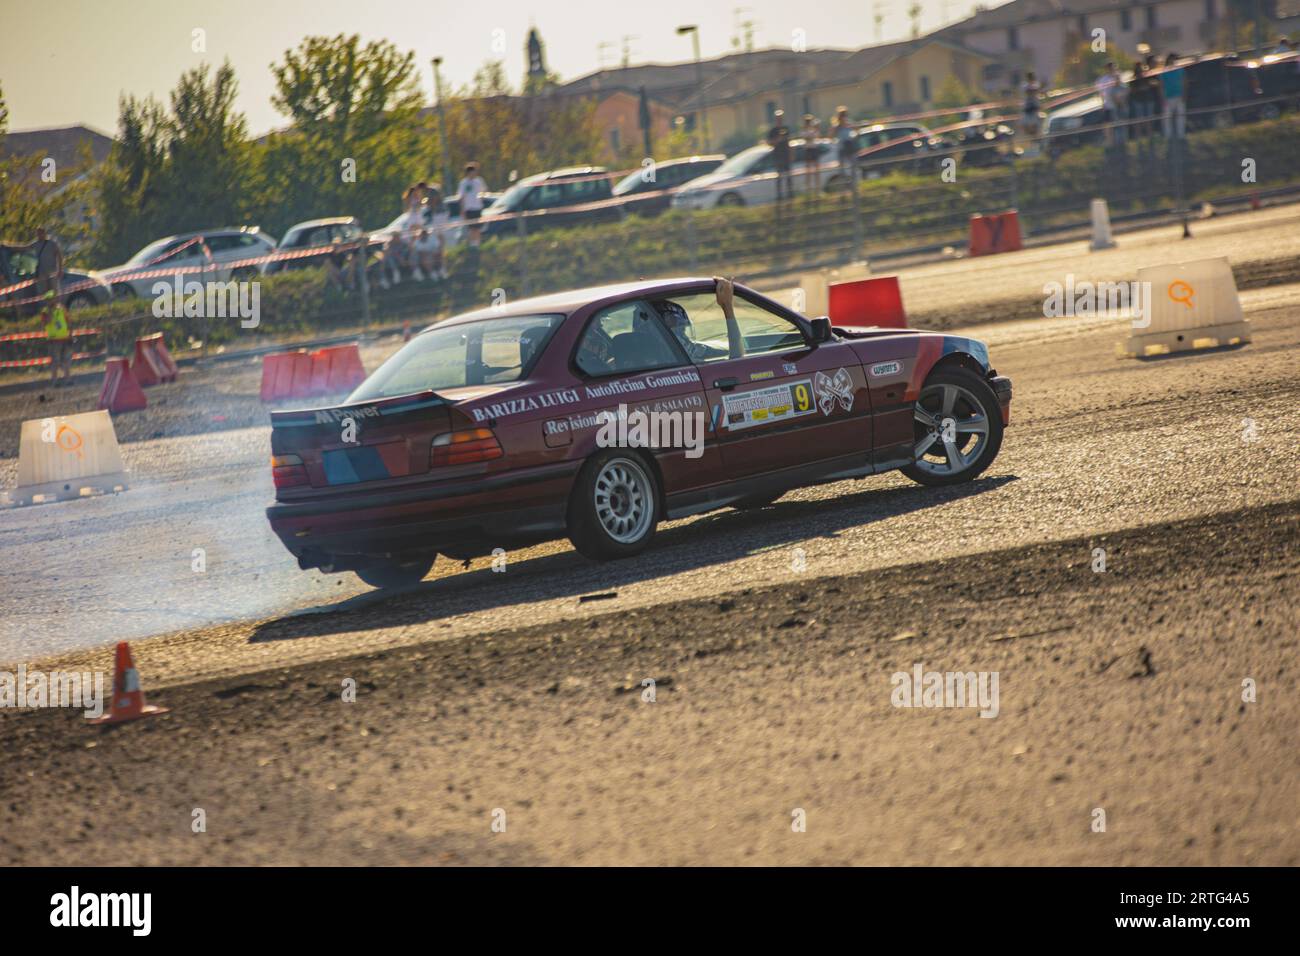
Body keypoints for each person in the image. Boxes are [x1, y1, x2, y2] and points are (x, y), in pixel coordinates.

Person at [40, 291, 71, 386]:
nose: (51, 301)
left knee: (66, 360)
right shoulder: (45, 312)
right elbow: (45, 324)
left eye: (52, 299)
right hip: (53, 340)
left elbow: (68, 321)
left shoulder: (62, 309)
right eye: (49, 300)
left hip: (64, 338)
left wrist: (71, 334)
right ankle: (55, 381)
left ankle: (67, 380)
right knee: (55, 362)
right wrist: (51, 311)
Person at [456, 163, 488, 246]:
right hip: (468, 209)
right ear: (468, 173)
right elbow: (461, 197)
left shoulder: (479, 181)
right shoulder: (463, 183)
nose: (474, 174)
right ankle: (471, 245)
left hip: (477, 208)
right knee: (471, 229)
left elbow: (484, 191)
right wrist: (462, 210)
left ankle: (477, 244)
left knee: (477, 228)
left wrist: (481, 197)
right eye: (473, 172)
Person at [27, 226, 64, 297]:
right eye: (38, 234)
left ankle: (56, 305)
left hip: (52, 272)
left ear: (44, 233)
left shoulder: (52, 243)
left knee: (54, 292)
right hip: (41, 273)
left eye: (41, 233)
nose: (39, 235)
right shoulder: (35, 244)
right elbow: (24, 248)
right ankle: (49, 305)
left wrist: (60, 269)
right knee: (45, 293)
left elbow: (59, 256)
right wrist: (9, 247)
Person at [1096, 62, 1126, 145]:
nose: (1111, 69)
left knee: (1121, 125)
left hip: (1119, 105)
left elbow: (1124, 88)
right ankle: (1111, 143)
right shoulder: (1102, 80)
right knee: (1110, 126)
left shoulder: (1118, 77)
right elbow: (1102, 94)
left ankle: (1121, 143)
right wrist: (1102, 105)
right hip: (1109, 106)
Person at [766, 109, 792, 200]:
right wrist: (777, 140)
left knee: (788, 175)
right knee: (779, 176)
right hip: (778, 155)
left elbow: (789, 142)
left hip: (785, 154)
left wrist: (790, 154)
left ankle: (790, 194)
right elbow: (769, 142)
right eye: (778, 118)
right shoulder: (773, 131)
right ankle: (779, 195)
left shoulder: (786, 129)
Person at [1161, 53, 1187, 141]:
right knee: (1167, 117)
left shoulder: (1180, 70)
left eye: (1174, 59)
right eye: (1171, 59)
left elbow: (1184, 82)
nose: (1173, 61)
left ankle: (1181, 135)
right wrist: (1163, 98)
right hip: (1168, 97)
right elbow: (1161, 86)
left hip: (1178, 95)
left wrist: (1184, 94)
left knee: (1180, 116)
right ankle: (1168, 136)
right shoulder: (1164, 71)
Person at [832, 105, 856, 178]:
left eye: (845, 114)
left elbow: (855, 129)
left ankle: (853, 181)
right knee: (842, 167)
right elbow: (832, 135)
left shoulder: (849, 122)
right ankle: (844, 181)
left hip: (849, 145)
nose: (844, 116)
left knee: (853, 164)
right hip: (842, 147)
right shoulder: (837, 125)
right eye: (843, 115)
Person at [1021, 71, 1043, 142]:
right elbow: (1028, 91)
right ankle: (1030, 138)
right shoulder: (1025, 85)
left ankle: (1036, 138)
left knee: (1036, 124)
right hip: (1027, 109)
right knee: (1025, 125)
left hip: (1035, 109)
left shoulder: (1036, 84)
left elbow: (1036, 90)